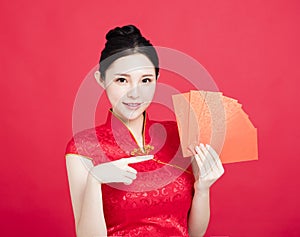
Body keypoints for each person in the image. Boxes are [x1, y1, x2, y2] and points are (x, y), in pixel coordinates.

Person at [65, 24, 224, 237]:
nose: (135, 94)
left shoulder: (179, 134)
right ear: (101, 80)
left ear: (156, 80)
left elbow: (194, 233)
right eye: (122, 80)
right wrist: (95, 180)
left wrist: (203, 188)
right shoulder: (83, 147)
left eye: (145, 80)